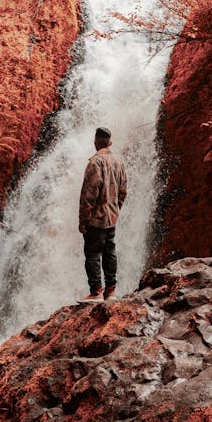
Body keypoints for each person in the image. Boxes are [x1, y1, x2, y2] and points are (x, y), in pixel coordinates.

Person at [78, 127, 127, 303]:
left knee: (92, 253)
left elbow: (89, 194)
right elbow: (123, 191)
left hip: (96, 218)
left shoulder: (95, 163)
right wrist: (115, 210)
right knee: (109, 252)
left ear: (95, 143)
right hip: (112, 217)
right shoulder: (119, 162)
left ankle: (96, 292)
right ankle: (111, 291)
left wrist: (83, 219)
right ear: (110, 143)